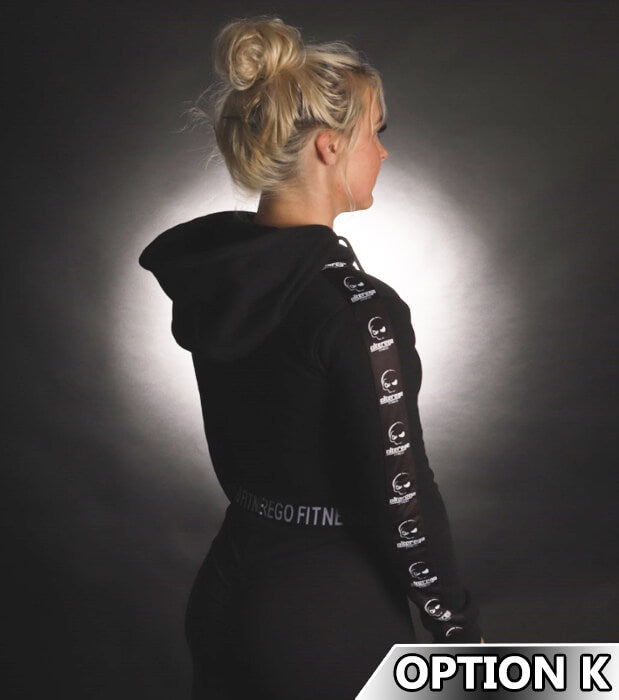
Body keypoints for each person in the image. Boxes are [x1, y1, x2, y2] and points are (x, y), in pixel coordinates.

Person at [139, 15, 484, 700]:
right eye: (375, 131)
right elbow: (403, 497)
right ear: (329, 147)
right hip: (325, 616)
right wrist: (460, 635)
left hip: (226, 589)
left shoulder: (219, 278)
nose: (383, 151)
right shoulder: (357, 310)